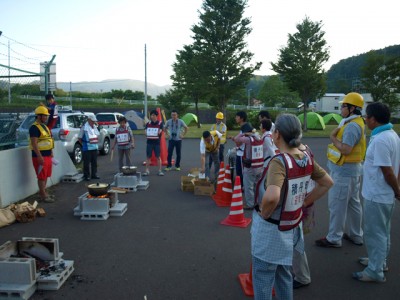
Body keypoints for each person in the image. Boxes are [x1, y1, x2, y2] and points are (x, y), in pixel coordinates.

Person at [251, 114, 333, 300]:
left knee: (263, 278)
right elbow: (327, 182)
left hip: (272, 229)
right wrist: (304, 202)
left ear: (277, 134)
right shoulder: (306, 157)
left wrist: (263, 214)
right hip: (293, 227)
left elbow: (272, 197)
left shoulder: (279, 162)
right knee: (284, 276)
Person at [352, 102, 400, 283]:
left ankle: (374, 271)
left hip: (377, 194)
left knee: (375, 232)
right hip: (384, 194)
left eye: (366, 116)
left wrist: (397, 190)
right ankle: (379, 262)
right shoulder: (392, 135)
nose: (365, 119)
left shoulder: (381, 140)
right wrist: (396, 189)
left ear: (373, 119)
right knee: (383, 231)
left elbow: (387, 171)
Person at [316, 92, 366, 248]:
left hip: (344, 172)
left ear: (352, 108)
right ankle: (356, 235)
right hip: (352, 171)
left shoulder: (352, 126)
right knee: (353, 204)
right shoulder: (354, 122)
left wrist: (333, 138)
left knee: (337, 205)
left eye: (344, 106)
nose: (341, 108)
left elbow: (345, 149)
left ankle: (334, 238)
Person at [232, 123, 263, 209]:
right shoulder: (259, 137)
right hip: (259, 165)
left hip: (250, 165)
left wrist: (243, 133)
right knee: (258, 185)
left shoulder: (248, 139)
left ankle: (250, 204)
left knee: (248, 186)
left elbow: (237, 139)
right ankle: (258, 202)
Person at [29, 106, 55, 203]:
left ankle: (43, 193)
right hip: (39, 156)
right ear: (39, 116)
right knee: (41, 176)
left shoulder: (44, 126)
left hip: (47, 155)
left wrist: (51, 152)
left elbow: (48, 139)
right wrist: (39, 156)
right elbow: (34, 143)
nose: (46, 117)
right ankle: (43, 195)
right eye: (45, 116)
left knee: (46, 175)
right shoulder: (34, 128)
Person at [78, 115, 100, 181]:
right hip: (87, 148)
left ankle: (94, 174)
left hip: (94, 147)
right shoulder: (84, 127)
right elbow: (79, 138)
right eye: (92, 121)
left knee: (94, 162)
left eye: (94, 121)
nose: (93, 122)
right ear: (89, 120)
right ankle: (86, 175)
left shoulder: (95, 127)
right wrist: (83, 144)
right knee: (86, 163)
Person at [230, 111, 249, 188]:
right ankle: (240, 186)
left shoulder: (245, 128)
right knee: (239, 171)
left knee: (241, 172)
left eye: (237, 116)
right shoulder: (245, 127)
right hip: (240, 152)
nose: (235, 118)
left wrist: (234, 139)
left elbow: (240, 142)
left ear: (241, 118)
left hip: (242, 153)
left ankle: (241, 187)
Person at [144, 110, 164, 176]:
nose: (152, 117)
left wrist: (159, 132)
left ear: (156, 116)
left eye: (153, 115)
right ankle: (147, 170)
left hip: (156, 143)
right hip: (149, 142)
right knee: (148, 157)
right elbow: (145, 131)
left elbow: (161, 130)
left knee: (158, 157)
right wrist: (146, 133)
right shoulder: (148, 123)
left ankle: (160, 170)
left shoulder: (160, 123)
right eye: (151, 115)